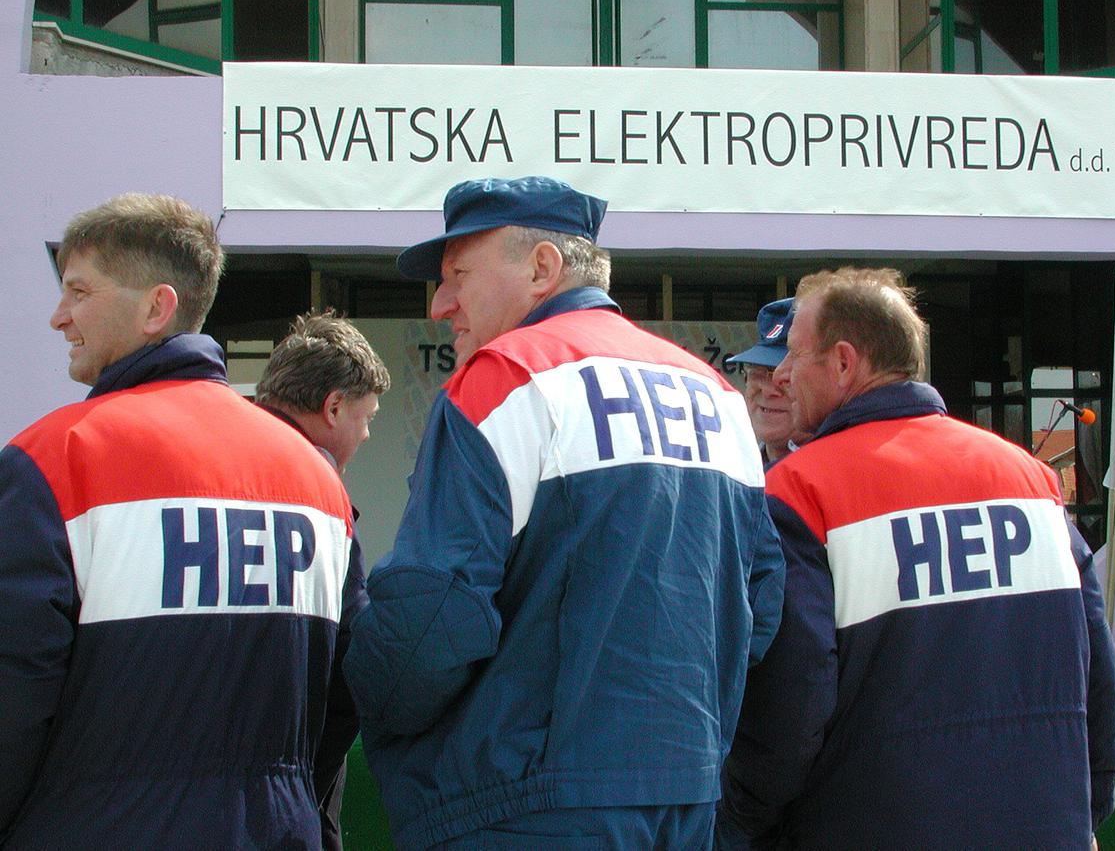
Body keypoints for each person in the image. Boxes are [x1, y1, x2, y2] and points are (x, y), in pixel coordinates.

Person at [344, 175, 784, 850]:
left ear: (542, 268)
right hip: (685, 796)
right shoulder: (718, 394)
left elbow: (430, 620)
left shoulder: (504, 376)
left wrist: (356, 688)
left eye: (459, 274)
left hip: (521, 807)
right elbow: (757, 604)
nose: (441, 304)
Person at [0, 193, 362, 849]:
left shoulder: (52, 462)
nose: (59, 316)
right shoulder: (317, 484)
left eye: (79, 291)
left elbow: (13, 694)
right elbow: (344, 693)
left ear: (156, 307)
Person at [718, 267, 1115, 850]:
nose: (780, 374)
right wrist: (1084, 811)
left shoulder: (801, 492)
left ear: (842, 362)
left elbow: (790, 707)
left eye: (793, 357)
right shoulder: (1030, 479)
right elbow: (1097, 680)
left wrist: (739, 821)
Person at [256, 309, 391, 851]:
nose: (364, 434)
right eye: (367, 418)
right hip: (291, 789)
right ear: (333, 406)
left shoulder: (192, 467)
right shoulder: (317, 493)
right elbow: (350, 656)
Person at [726, 297, 806, 465]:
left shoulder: (839, 470)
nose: (767, 389)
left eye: (786, 374)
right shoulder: (734, 469)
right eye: (756, 372)